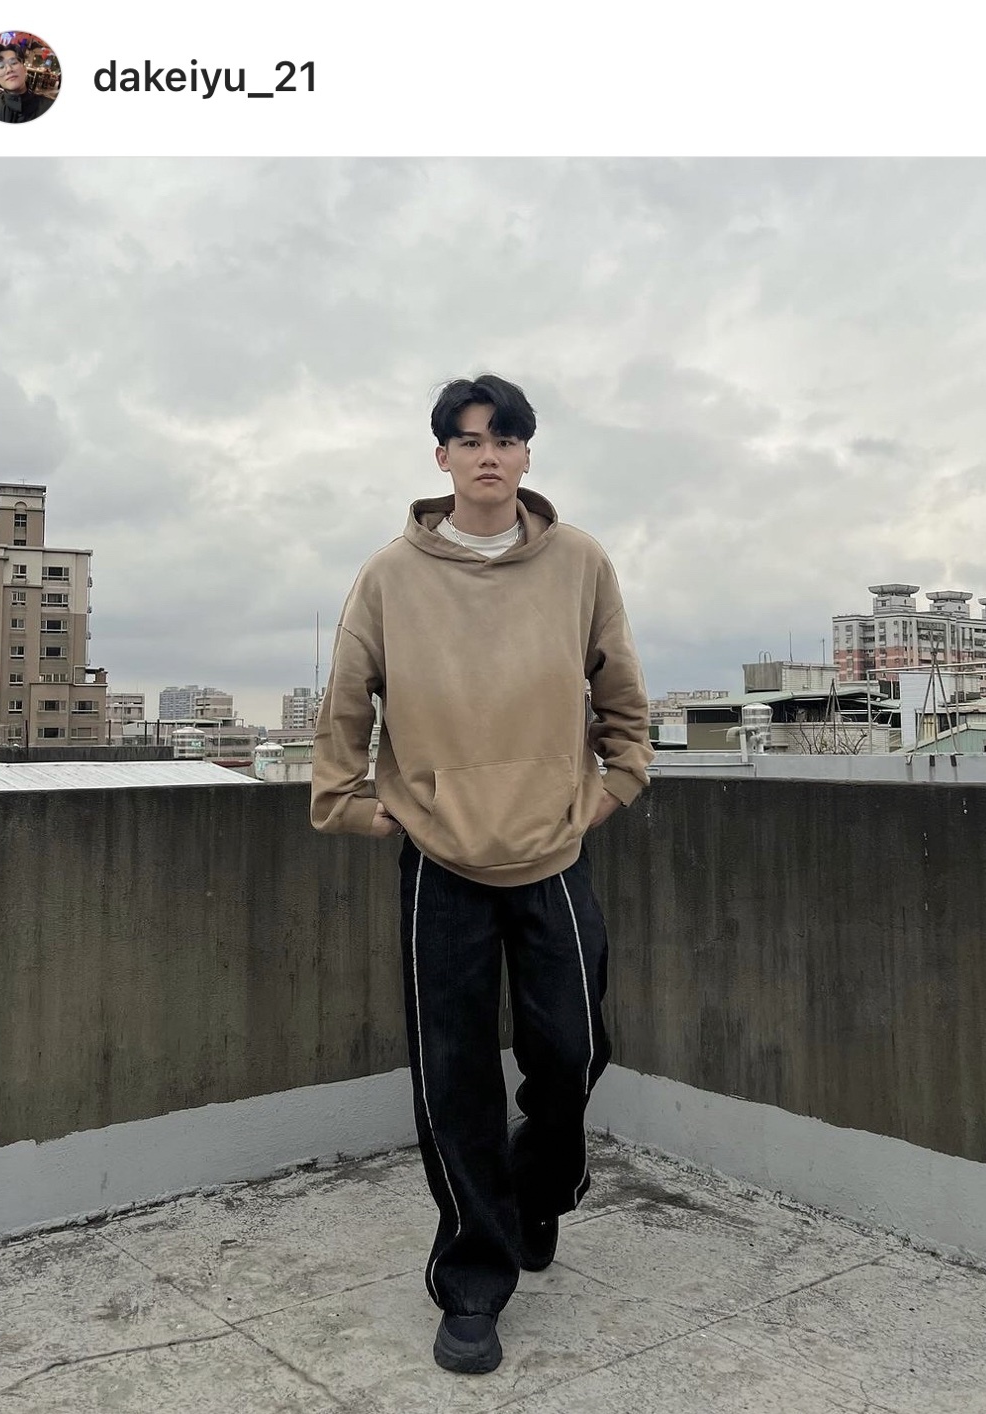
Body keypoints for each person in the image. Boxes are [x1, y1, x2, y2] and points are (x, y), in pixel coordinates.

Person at [311, 373, 653, 1375]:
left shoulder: (580, 561)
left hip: (553, 852)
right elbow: (346, 702)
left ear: (527, 454)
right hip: (440, 860)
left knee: (572, 1050)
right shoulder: (391, 575)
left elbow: (621, 692)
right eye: (469, 440)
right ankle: (472, 1278)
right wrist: (353, 803)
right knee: (453, 1076)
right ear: (443, 458)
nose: (488, 454)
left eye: (504, 438)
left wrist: (616, 783)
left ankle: (536, 1190)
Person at [0, 42, 53, 123]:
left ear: (24, 69)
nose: (9, 69)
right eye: (1, 66)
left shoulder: (48, 107)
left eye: (14, 63)